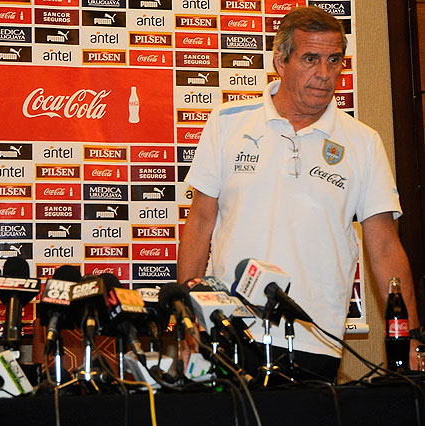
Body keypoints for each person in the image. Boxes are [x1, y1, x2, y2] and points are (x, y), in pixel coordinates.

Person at [177, 6, 420, 383]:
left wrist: (412, 337)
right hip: (226, 331)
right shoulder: (227, 122)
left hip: (315, 339)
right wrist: (185, 320)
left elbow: (386, 247)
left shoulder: (363, 142)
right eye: (310, 59)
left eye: (334, 60)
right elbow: (199, 225)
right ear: (281, 61)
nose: (324, 73)